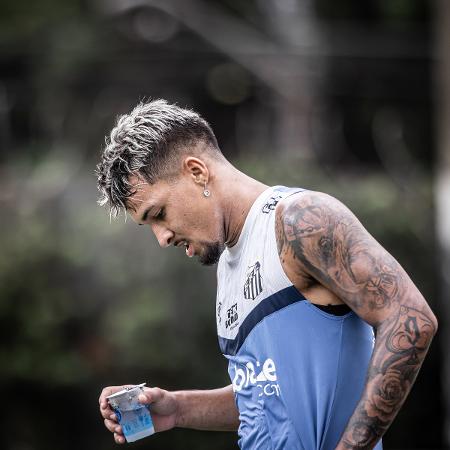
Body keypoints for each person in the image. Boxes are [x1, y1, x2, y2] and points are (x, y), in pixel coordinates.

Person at [96, 99, 437, 450]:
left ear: (197, 171)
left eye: (160, 213)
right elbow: (267, 398)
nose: (162, 237)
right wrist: (178, 408)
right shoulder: (228, 265)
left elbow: (410, 320)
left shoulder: (299, 220)